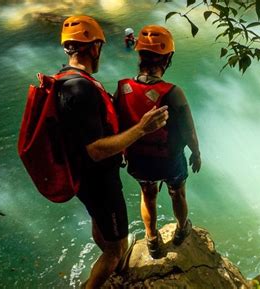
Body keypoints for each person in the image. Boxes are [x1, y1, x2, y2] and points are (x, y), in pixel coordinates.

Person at [57, 16, 168, 288]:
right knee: (116, 247)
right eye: (100, 47)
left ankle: (109, 254)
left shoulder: (64, 78)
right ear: (94, 47)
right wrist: (141, 129)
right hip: (99, 182)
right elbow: (95, 150)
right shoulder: (81, 89)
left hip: (82, 177)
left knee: (101, 224)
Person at [115, 25, 201, 259]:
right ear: (168, 57)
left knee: (148, 194)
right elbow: (188, 130)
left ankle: (152, 239)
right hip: (168, 159)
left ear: (140, 55)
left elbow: (118, 122)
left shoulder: (122, 87)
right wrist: (196, 152)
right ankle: (182, 229)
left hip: (138, 158)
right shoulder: (173, 92)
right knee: (177, 192)